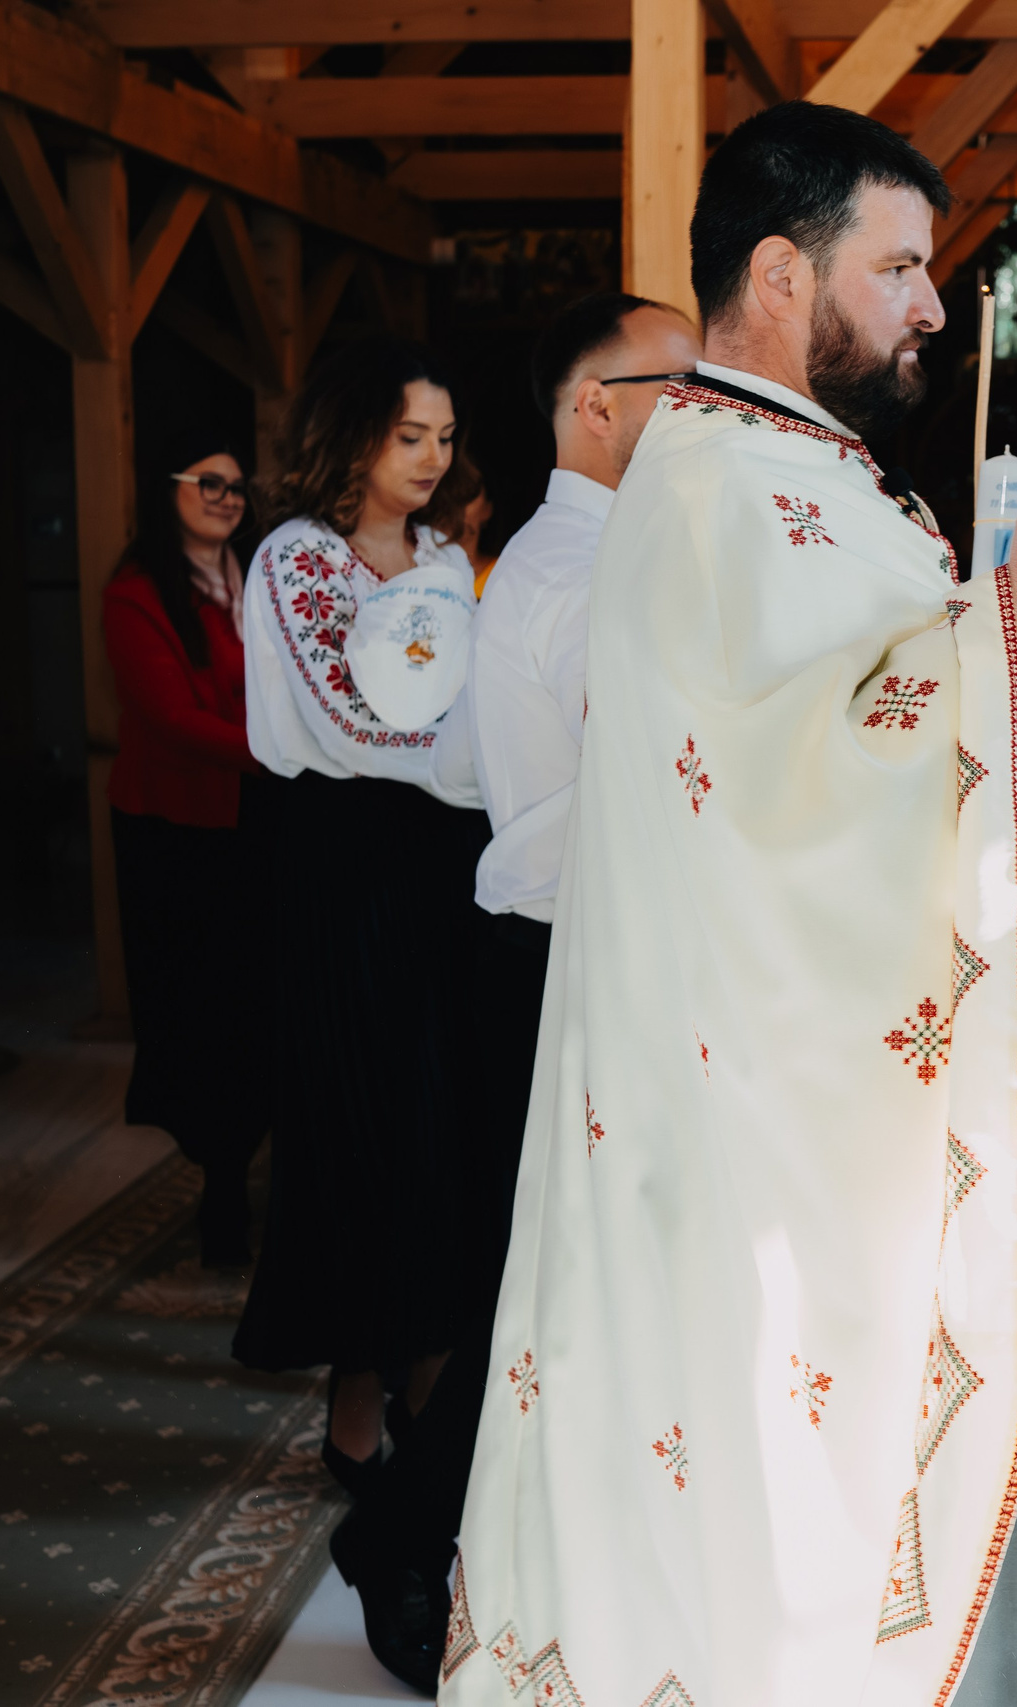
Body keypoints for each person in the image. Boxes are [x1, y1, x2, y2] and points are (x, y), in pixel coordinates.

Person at [445, 103, 1017, 1707]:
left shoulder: (800, 471)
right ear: (781, 273)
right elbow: (788, 787)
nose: (933, 304)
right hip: (756, 1119)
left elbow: (872, 715)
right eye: (898, 266)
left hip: (813, 1075)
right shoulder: (720, 482)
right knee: (780, 1501)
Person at [342, 291, 706, 1680]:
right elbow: (627, 792)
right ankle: (401, 1536)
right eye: (682, 387)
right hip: (561, 958)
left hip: (559, 949)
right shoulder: (585, 570)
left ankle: (514, 1549)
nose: (711, 409)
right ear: (593, 407)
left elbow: (471, 767)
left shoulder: (582, 556)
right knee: (541, 1293)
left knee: (569, 1282)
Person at [228, 337, 488, 1689]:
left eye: (443, 435)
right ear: (353, 437)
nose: (432, 457)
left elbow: (461, 700)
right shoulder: (296, 559)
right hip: (339, 862)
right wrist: (482, 762)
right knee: (353, 1117)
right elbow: (349, 724)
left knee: (436, 1122)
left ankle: (417, 1393)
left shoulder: (443, 557)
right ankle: (359, 1388)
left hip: (438, 865)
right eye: (409, 435)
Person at [102, 427, 266, 1268]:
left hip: (255, 820)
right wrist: (287, 750)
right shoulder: (137, 593)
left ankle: (255, 1175)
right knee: (201, 1012)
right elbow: (171, 719)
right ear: (165, 489)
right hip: (176, 832)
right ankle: (222, 1191)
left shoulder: (260, 576)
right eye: (209, 482)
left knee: (258, 1003)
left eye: (236, 485)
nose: (227, 498)